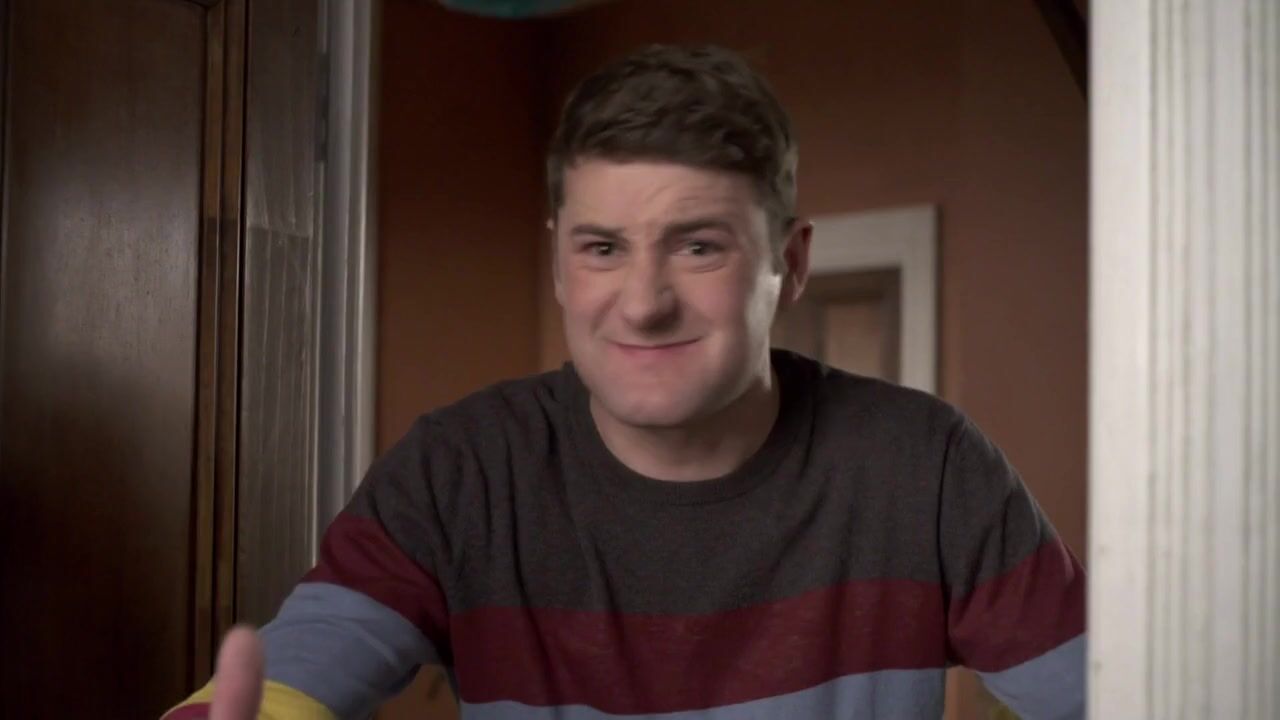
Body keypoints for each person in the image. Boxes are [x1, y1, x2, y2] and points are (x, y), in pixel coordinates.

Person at [164, 44, 1085, 720]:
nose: (642, 304)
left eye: (698, 246)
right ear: (560, 265)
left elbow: (1124, 692)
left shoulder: (924, 467)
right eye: (602, 248)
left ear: (791, 264)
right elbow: (307, 661)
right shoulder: (462, 470)